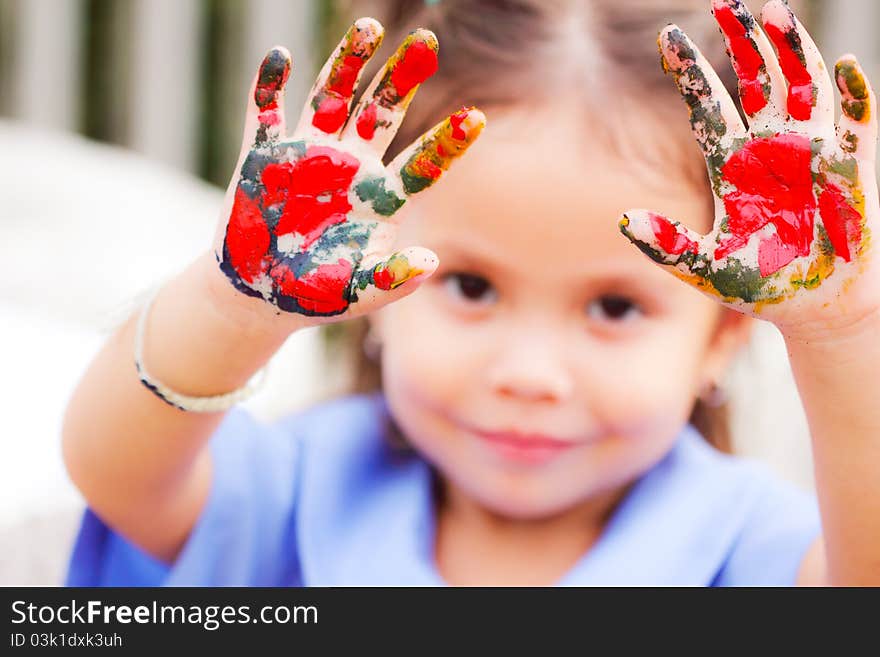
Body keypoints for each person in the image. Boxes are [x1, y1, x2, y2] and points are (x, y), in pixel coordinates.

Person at [63, 0, 879, 586]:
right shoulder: (302, 487)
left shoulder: (745, 543)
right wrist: (232, 301)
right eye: (471, 285)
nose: (527, 373)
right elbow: (116, 471)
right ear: (372, 278)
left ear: (724, 336)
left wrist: (841, 334)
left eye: (615, 307)